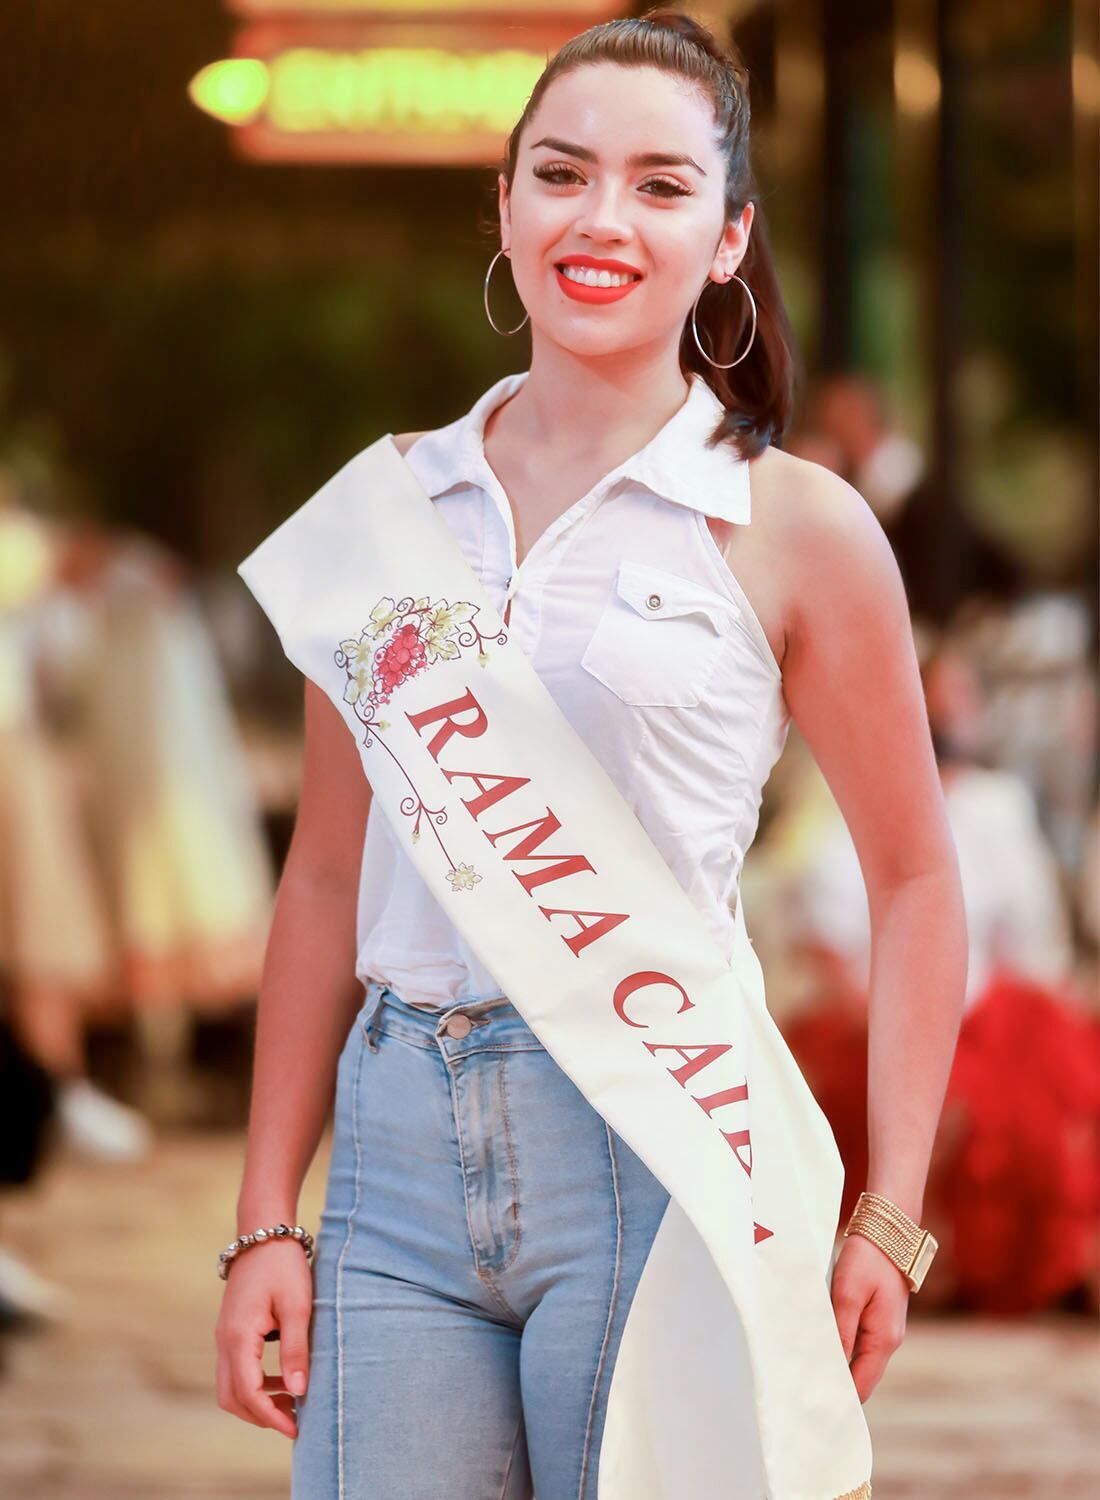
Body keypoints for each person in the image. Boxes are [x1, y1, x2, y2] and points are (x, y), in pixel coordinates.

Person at [215, 11, 967, 1498]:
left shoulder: (795, 528)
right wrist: (265, 1218)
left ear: (732, 235)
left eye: (661, 184)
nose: (601, 220)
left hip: (654, 1139)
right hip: (395, 1154)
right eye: (561, 174)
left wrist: (891, 1208)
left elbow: (920, 878)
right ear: (503, 206)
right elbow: (321, 878)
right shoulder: (386, 515)